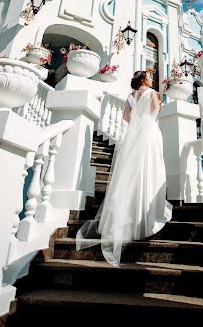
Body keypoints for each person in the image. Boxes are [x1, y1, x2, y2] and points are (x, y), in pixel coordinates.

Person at [76, 70, 172, 266]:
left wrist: (139, 119)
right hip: (149, 131)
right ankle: (144, 218)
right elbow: (155, 112)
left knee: (128, 173)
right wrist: (155, 108)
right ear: (144, 79)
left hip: (133, 133)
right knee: (150, 169)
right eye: (149, 76)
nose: (151, 79)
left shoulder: (130, 96)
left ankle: (122, 222)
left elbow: (127, 118)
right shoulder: (153, 93)